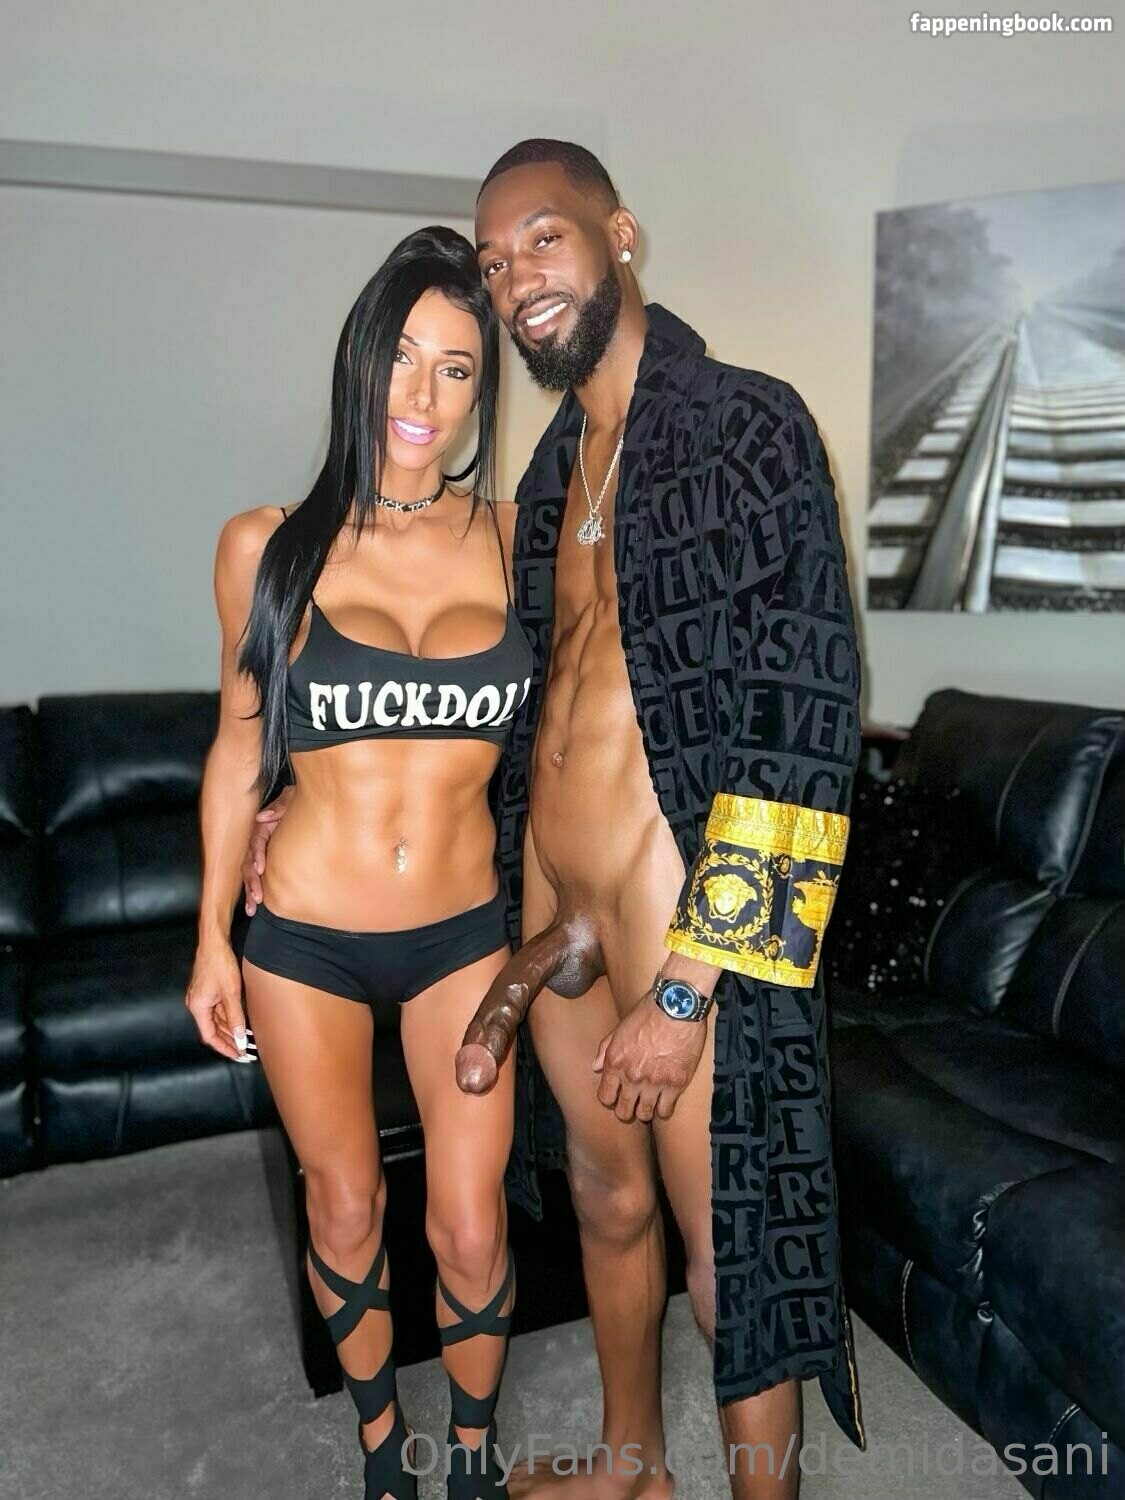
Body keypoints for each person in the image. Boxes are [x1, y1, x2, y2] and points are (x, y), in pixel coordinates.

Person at [248, 143, 865, 1499]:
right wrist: (298, 791)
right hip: (563, 917)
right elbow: (502, 714)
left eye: (543, 237)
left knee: (730, 1257)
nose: (516, 276)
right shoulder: (547, 479)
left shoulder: (748, 425)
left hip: (692, 925)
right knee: (606, 1205)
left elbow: (806, 720)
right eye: (494, 257)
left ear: (619, 234)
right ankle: (635, 1466)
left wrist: (692, 986)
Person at [185, 225, 532, 1500]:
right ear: (360, 360)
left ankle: (474, 1464)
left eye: (457, 367)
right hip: (307, 939)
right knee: (343, 1208)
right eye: (402, 357)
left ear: (482, 391)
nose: (423, 394)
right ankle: (386, 1453)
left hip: (464, 935)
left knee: (472, 1224)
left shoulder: (518, 540)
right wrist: (210, 936)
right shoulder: (266, 545)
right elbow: (236, 751)